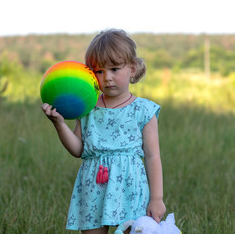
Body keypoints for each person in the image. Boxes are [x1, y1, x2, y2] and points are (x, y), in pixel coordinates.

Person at [41, 29, 166, 234]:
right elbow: (78, 150)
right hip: (93, 186)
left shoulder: (144, 110)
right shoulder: (87, 108)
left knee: (132, 230)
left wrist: (157, 199)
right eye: (99, 71)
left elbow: (153, 156)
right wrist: (59, 124)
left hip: (130, 187)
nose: (107, 77)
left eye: (115, 69)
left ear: (132, 68)